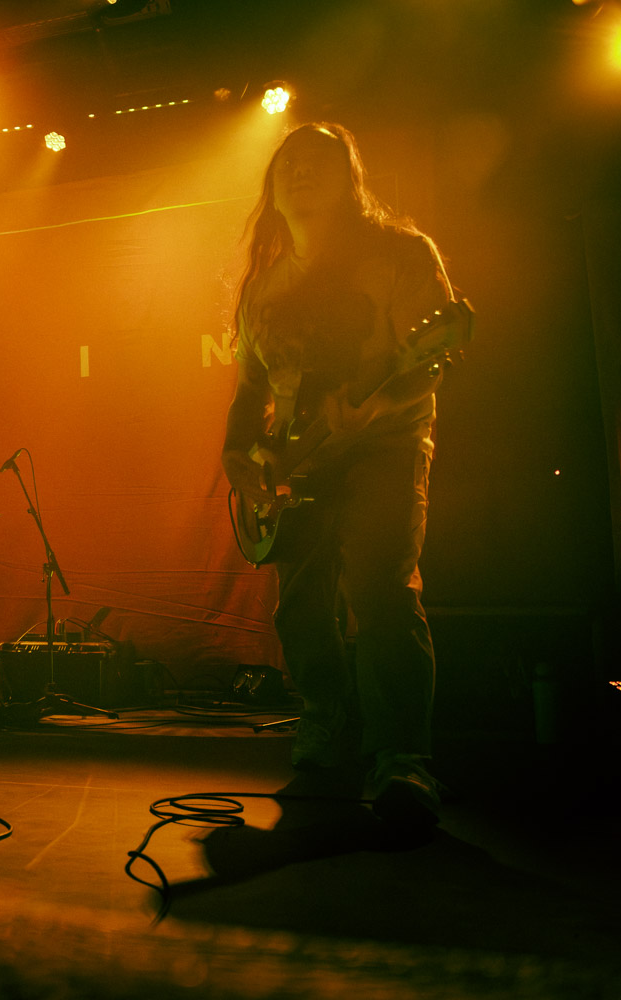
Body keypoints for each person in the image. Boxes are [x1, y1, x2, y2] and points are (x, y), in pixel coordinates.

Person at [221, 124, 457, 827]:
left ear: (351, 179)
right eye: (287, 162)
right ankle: (326, 719)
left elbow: (430, 359)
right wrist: (237, 455)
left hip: (385, 445)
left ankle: (402, 756)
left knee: (380, 590)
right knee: (299, 605)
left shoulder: (400, 255)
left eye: (318, 160)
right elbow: (250, 388)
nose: (300, 170)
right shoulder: (264, 286)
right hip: (298, 464)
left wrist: (374, 405)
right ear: (271, 187)